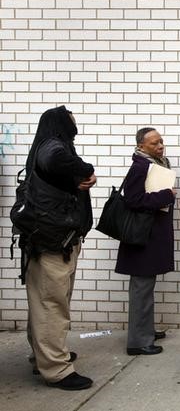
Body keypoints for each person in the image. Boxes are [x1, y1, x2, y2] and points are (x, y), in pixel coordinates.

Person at [22, 106, 97, 390]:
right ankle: (56, 368)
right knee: (52, 305)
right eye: (71, 119)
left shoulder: (48, 144)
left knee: (45, 303)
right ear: (61, 123)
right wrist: (86, 171)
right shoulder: (53, 146)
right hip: (52, 243)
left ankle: (44, 355)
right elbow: (58, 161)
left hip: (52, 240)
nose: (75, 123)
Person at [114, 128, 176, 356]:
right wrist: (167, 196)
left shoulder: (157, 164)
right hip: (142, 237)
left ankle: (145, 330)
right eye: (154, 143)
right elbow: (132, 199)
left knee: (146, 286)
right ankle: (139, 341)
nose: (160, 146)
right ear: (141, 146)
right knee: (141, 289)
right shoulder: (140, 166)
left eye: (161, 141)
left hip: (149, 235)